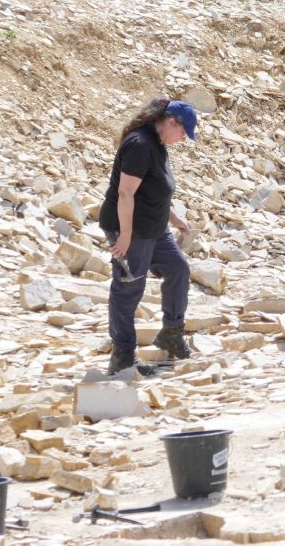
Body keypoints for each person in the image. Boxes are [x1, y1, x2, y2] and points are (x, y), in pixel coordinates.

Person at [98, 96, 199, 375]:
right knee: (129, 289)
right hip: (130, 229)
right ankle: (123, 356)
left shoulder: (158, 143)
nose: (182, 139)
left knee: (178, 269)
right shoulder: (140, 145)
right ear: (170, 122)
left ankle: (171, 332)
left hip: (154, 229)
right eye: (182, 133)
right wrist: (126, 235)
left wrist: (174, 217)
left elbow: (154, 190)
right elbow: (126, 193)